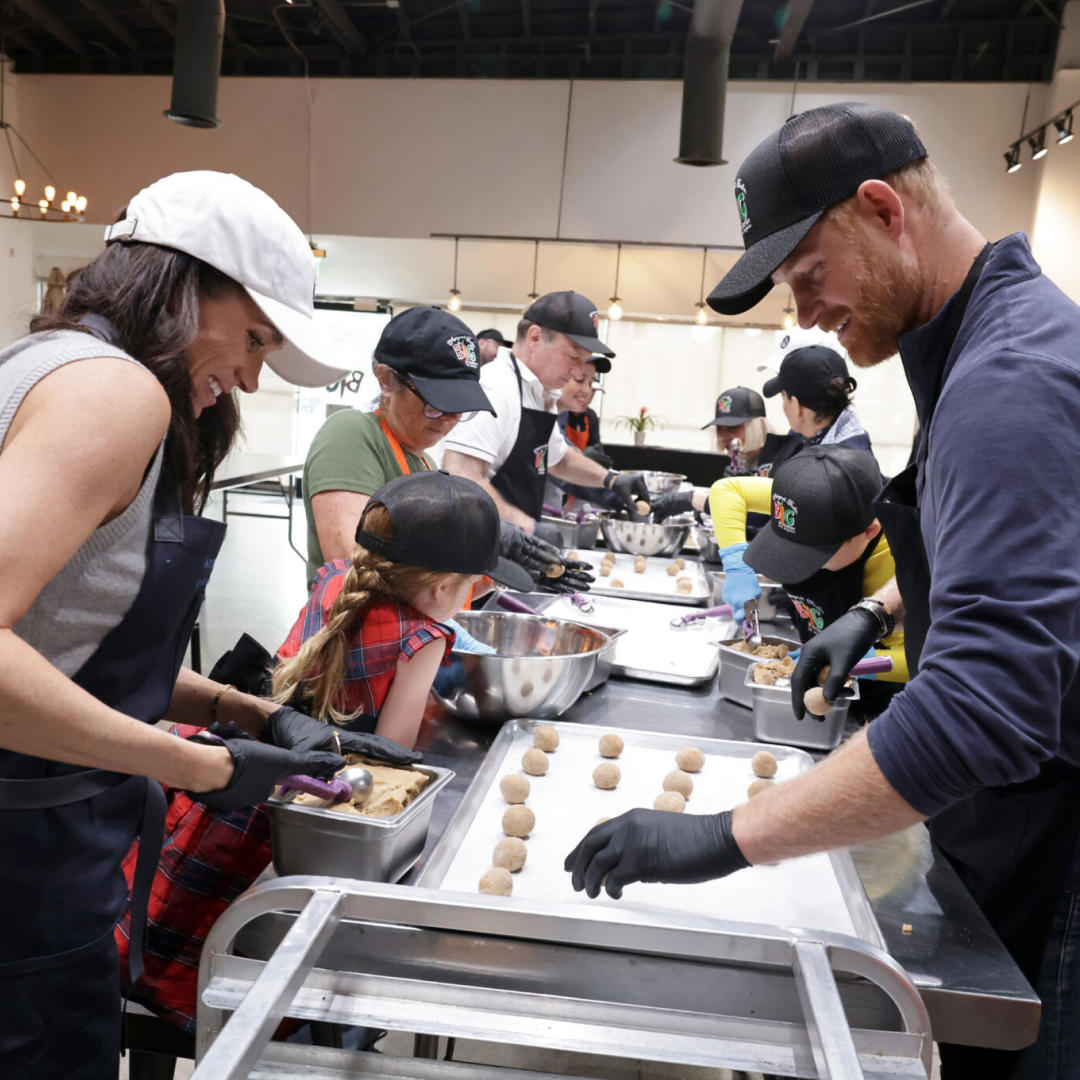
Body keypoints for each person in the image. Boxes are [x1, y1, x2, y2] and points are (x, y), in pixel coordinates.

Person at [565, 102, 1080, 1079]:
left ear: (885, 208)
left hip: (1057, 851)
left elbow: (991, 707)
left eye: (809, 277)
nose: (805, 318)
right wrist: (878, 611)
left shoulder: (1005, 379)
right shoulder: (987, 341)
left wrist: (729, 837)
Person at [0, 170, 366, 1078]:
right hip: (19, 870)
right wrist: (203, 766)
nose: (249, 372)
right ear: (178, 286)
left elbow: (71, 648)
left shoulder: (44, 363)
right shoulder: (116, 394)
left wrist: (245, 713)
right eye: (251, 337)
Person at [115, 471, 532, 1032]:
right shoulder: (425, 638)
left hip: (231, 763)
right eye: (474, 586)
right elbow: (392, 752)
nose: (474, 597)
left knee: (163, 912)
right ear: (441, 589)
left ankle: (141, 982)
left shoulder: (337, 579)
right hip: (295, 808)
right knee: (242, 958)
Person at [303, 307, 588, 597]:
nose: (450, 419)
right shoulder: (351, 434)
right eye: (437, 404)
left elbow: (443, 594)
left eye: (459, 407)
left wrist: (514, 571)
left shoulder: (425, 466)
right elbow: (358, 568)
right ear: (387, 380)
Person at [711, 446, 907, 718]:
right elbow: (727, 490)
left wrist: (857, 662)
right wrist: (736, 565)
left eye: (813, 554)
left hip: (878, 702)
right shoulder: (810, 499)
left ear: (869, 532)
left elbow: (923, 656)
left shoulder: (901, 560)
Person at [442, 290, 650, 538]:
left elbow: (559, 459)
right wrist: (529, 528)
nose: (576, 372)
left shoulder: (541, 392)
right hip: (472, 550)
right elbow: (460, 479)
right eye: (573, 357)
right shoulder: (495, 387)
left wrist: (610, 480)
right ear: (535, 337)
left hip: (508, 553)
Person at [762, 342, 878, 466]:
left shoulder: (838, 469)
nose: (784, 406)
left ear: (796, 405)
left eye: (784, 397)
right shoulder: (847, 447)